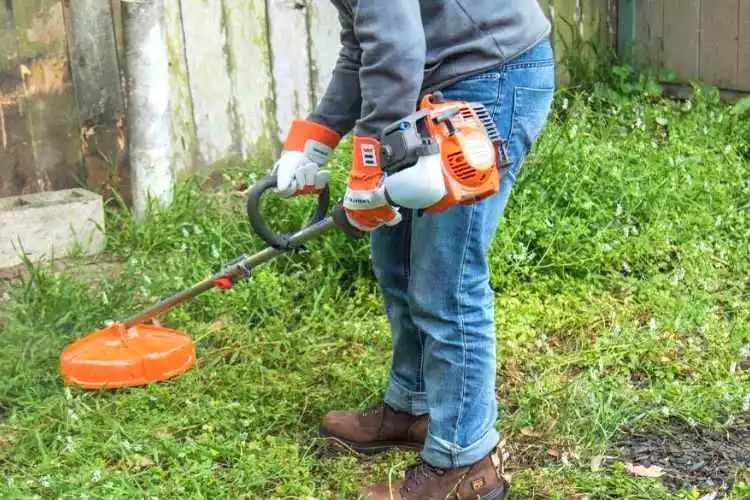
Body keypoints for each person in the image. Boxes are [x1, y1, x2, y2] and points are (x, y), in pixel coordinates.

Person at [272, 1, 555, 497]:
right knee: (396, 261)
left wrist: (370, 157)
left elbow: (396, 45)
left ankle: (465, 461)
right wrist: (319, 134)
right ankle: (415, 404)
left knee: (446, 280)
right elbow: (364, 44)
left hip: (490, 75)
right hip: (431, 76)